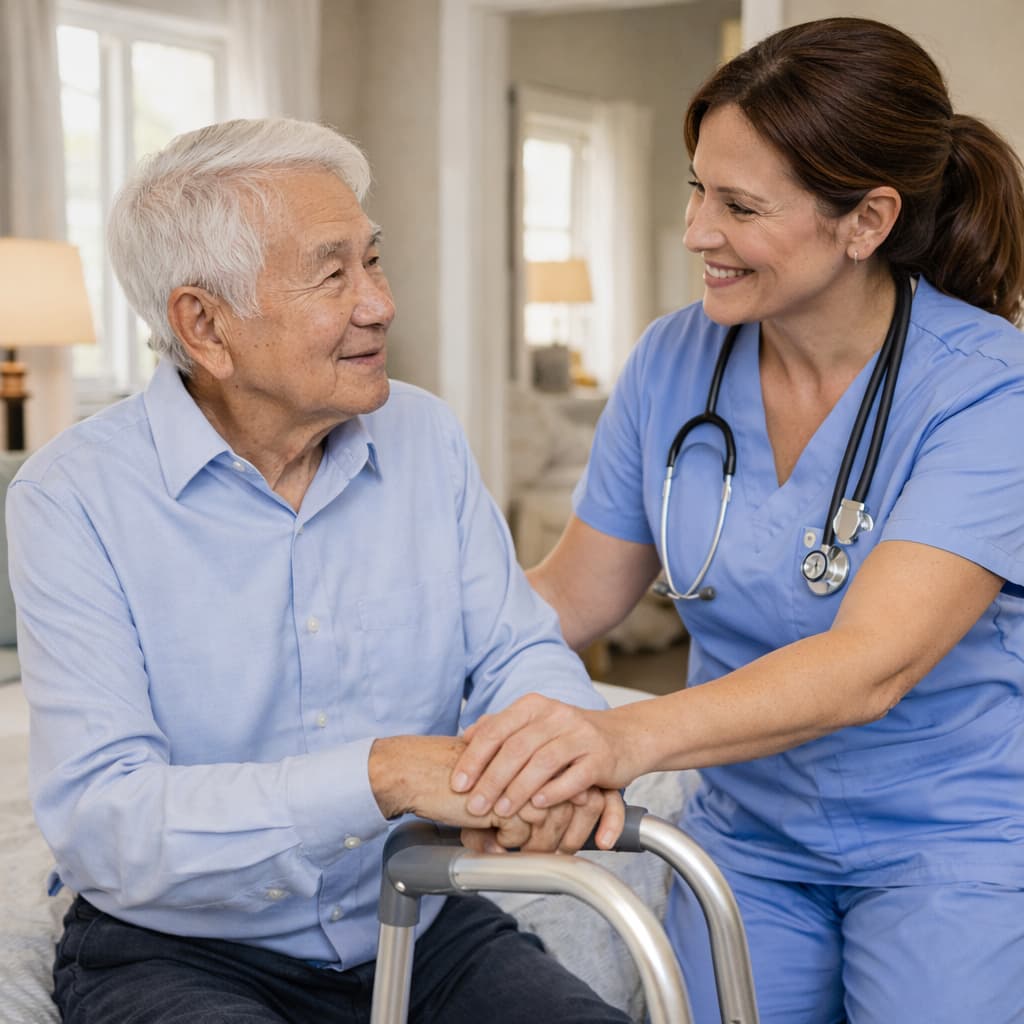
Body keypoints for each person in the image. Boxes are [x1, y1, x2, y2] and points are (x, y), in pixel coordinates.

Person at [451, 16, 1024, 1024]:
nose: (695, 232)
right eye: (696, 190)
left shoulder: (987, 389)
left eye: (739, 206)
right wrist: (401, 694)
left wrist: (621, 738)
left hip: (950, 842)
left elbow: (870, 665)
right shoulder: (672, 361)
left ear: (866, 220)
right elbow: (571, 595)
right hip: (746, 839)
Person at [7, 117, 629, 1024]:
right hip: (181, 948)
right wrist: (378, 776)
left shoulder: (425, 436)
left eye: (372, 260)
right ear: (204, 325)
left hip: (419, 919)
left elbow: (515, 653)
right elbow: (108, 818)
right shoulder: (72, 496)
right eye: (332, 275)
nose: (379, 303)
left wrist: (551, 757)